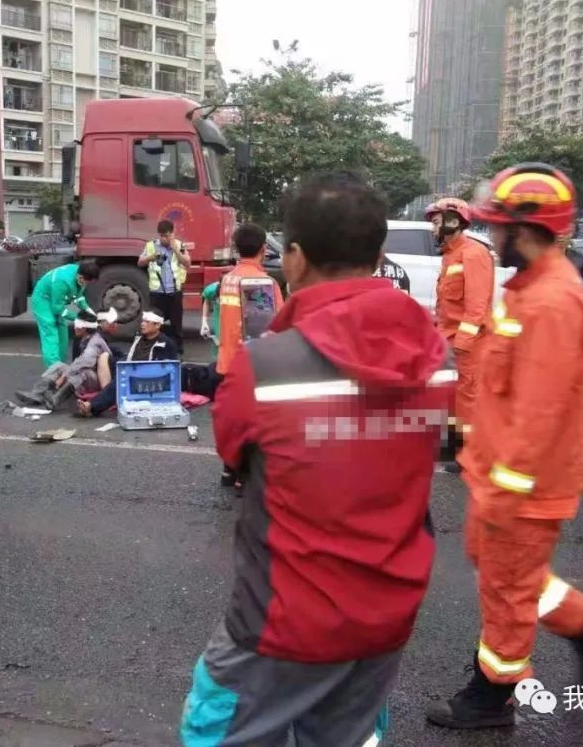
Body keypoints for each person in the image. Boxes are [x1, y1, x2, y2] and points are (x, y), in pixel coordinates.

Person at [179, 173, 454, 747]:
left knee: (215, 728)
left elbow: (234, 453)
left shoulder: (266, 367)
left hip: (283, 621)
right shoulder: (436, 356)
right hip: (386, 616)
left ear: (296, 257)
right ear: (379, 256)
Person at [426, 163, 583, 730]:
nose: (491, 237)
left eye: (497, 228)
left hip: (522, 485)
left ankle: (493, 697)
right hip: (502, 475)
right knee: (509, 576)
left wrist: (505, 493)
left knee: (507, 589)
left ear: (527, 230)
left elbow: (539, 415)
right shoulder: (533, 289)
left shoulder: (551, 303)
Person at [216, 224, 285, 492]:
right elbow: (271, 328)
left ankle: (228, 470)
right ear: (263, 250)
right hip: (251, 364)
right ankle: (243, 477)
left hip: (226, 360)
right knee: (253, 422)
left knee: (232, 419)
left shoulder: (228, 279)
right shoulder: (262, 284)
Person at [425, 197, 494, 460]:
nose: (433, 229)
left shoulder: (473, 254)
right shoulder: (451, 254)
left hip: (469, 343)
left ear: (452, 222)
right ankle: (456, 444)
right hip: (451, 339)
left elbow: (477, 306)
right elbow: (446, 304)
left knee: (468, 397)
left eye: (436, 222)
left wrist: (463, 343)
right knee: (453, 396)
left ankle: (470, 451)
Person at [77, 311, 179, 418]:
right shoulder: (139, 337)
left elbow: (164, 371)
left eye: (147, 322)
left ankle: (91, 406)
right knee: (105, 357)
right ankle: (106, 394)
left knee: (121, 381)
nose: (142, 324)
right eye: (142, 321)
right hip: (131, 368)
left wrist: (131, 372)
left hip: (147, 379)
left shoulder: (166, 344)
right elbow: (131, 357)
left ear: (157, 325)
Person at [17, 309, 115, 410]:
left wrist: (63, 377)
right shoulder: (83, 339)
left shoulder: (95, 343)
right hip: (90, 375)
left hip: (101, 380)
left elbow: (84, 362)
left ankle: (55, 399)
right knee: (59, 365)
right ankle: (37, 394)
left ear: (85, 328)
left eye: (78, 325)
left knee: (82, 373)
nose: (75, 327)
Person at [30, 261, 99, 368]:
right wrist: (78, 319)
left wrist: (90, 312)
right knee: (50, 329)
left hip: (56, 300)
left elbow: (79, 297)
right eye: (88, 282)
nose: (88, 285)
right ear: (81, 277)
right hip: (43, 299)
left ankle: (61, 364)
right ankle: (54, 369)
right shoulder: (62, 281)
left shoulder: (81, 274)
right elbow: (57, 308)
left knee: (62, 330)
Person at [139, 220, 191, 353]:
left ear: (172, 234)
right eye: (161, 235)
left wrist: (175, 250)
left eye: (166, 236)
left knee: (176, 325)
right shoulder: (151, 246)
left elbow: (187, 263)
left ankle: (178, 351)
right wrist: (151, 257)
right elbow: (140, 262)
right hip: (157, 293)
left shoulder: (180, 245)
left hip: (174, 292)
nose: (163, 239)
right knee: (155, 323)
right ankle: (153, 350)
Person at [200, 279, 221, 358]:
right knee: (219, 340)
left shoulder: (237, 291)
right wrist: (204, 321)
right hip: (219, 314)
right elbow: (207, 302)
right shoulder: (211, 290)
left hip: (234, 312)